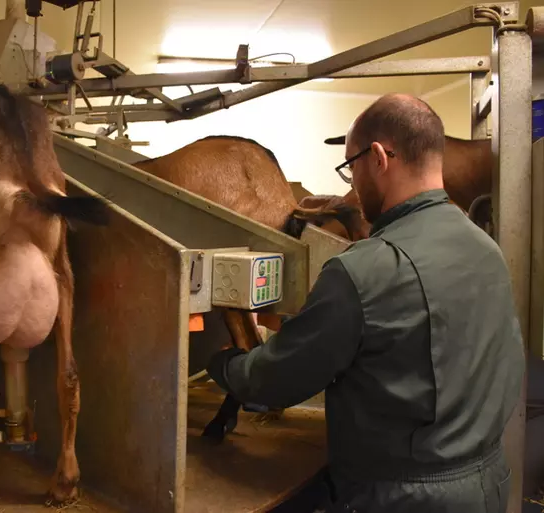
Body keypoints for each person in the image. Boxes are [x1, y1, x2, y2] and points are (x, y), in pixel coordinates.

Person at [206, 93, 526, 513]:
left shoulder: (364, 271)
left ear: (377, 158)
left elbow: (277, 381)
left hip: (402, 499)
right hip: (487, 485)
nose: (351, 183)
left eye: (350, 167)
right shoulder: (486, 248)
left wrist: (225, 364)